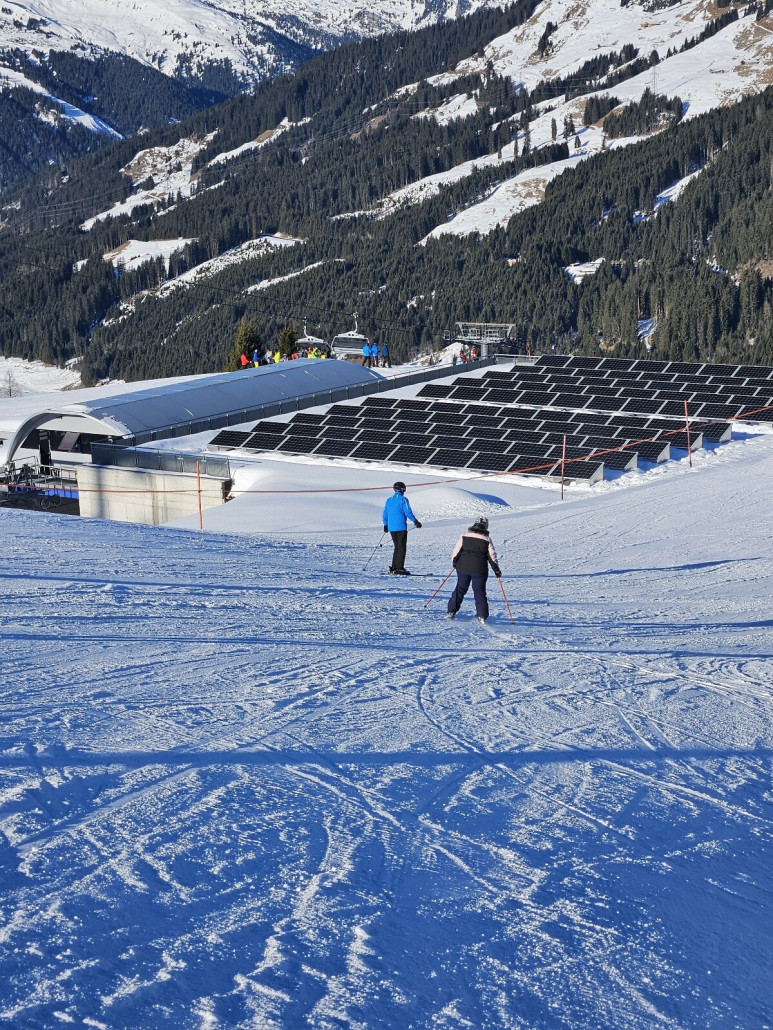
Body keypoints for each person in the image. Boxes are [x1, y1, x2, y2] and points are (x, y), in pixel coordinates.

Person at [447, 516, 501, 623]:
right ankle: (482, 615)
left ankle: (451, 610)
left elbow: (456, 551)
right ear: (485, 526)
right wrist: (496, 570)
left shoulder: (464, 536)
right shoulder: (486, 540)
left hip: (463, 567)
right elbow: (492, 556)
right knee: (479, 591)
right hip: (479, 570)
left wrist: (454, 562)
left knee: (460, 588)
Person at [382, 481, 422, 575]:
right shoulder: (403, 499)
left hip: (391, 528)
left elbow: (385, 513)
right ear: (402, 489)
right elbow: (408, 512)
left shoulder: (389, 500)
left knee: (397, 547)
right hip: (400, 527)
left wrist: (386, 524)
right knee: (402, 547)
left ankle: (394, 567)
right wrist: (415, 521)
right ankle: (399, 568)